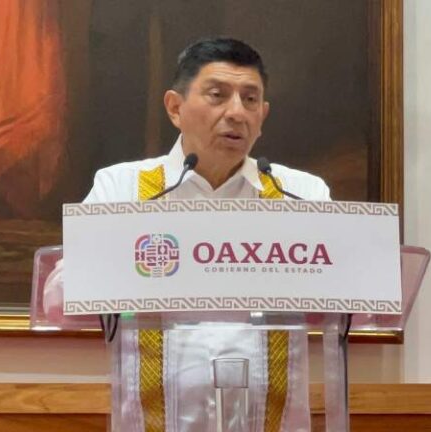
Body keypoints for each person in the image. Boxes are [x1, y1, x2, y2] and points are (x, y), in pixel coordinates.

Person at [49, 38, 330, 431]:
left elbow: (342, 294)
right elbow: (60, 296)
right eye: (218, 95)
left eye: (250, 100)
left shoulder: (301, 195)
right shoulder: (123, 189)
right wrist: (127, 266)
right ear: (175, 108)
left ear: (263, 115)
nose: (237, 112)